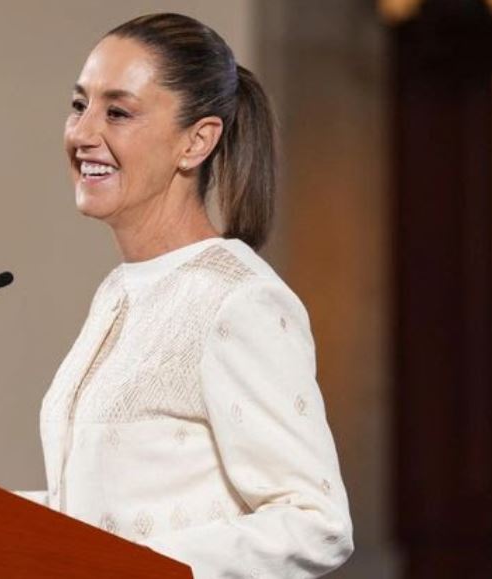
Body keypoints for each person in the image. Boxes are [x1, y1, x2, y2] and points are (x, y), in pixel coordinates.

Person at [19, 13, 354, 578]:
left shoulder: (237, 300)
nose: (82, 134)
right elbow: (99, 511)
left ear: (197, 142)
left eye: (117, 112)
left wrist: (125, 566)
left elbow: (316, 521)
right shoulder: (119, 292)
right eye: (80, 105)